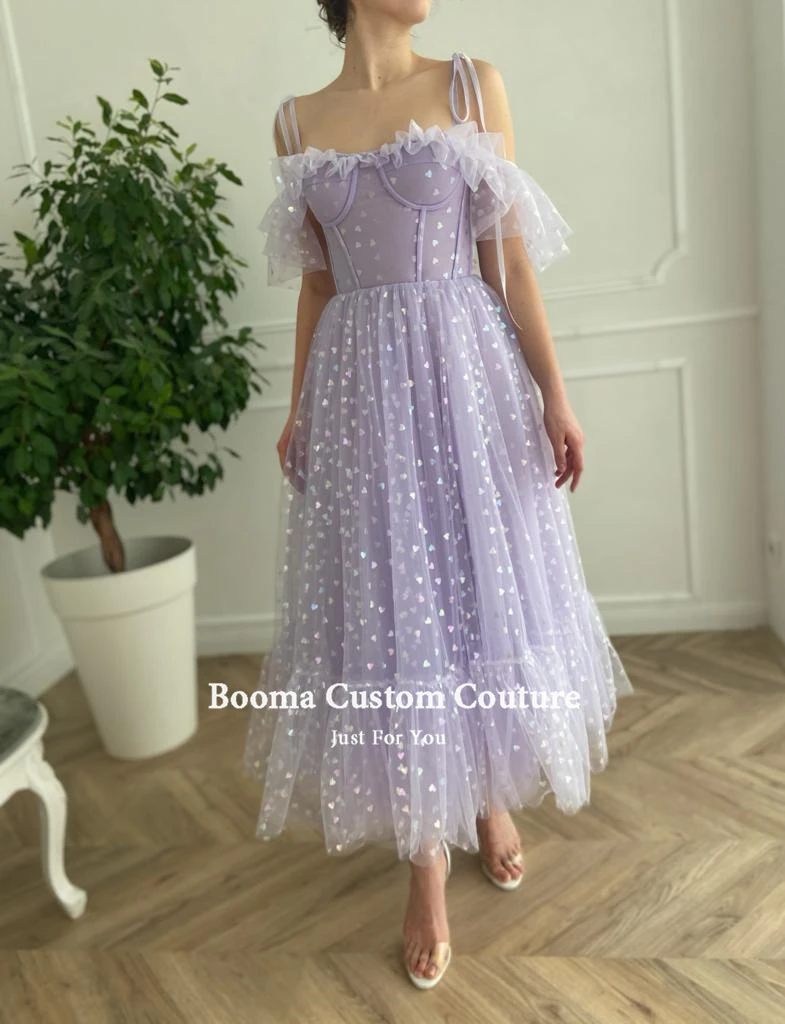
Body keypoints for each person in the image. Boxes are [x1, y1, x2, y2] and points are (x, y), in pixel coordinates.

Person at [244, 0, 634, 990]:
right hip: (357, 402)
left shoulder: (469, 84)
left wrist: (552, 394)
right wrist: (297, 408)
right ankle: (425, 858)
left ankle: (487, 793)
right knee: (391, 616)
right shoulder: (293, 122)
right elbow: (318, 285)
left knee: (475, 592)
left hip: (466, 384)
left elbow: (510, 260)